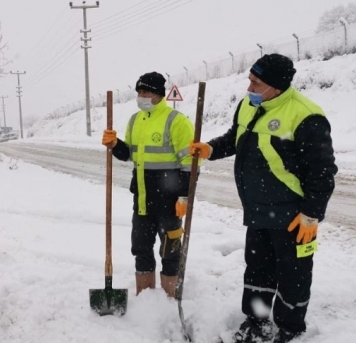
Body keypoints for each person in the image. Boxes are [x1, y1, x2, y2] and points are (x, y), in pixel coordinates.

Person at [190, 54, 337, 343]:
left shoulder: (306, 116)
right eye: (250, 80)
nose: (249, 87)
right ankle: (257, 321)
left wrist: (311, 214)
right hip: (258, 210)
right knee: (258, 271)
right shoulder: (248, 105)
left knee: (294, 275)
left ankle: (290, 328)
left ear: (276, 86)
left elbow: (322, 172)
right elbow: (236, 138)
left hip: (294, 215)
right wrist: (210, 149)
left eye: (256, 83)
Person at [101, 71, 196, 298]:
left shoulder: (176, 121)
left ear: (159, 94)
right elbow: (130, 155)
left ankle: (171, 296)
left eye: (145, 91)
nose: (141, 96)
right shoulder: (135, 120)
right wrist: (115, 144)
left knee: (171, 250)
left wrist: (184, 197)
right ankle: (145, 297)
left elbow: (190, 163)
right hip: (142, 199)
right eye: (139, 92)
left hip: (170, 201)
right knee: (141, 249)